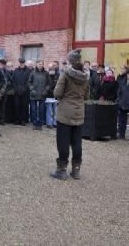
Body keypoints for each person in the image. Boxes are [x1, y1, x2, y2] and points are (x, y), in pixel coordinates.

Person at [50, 49, 89, 180]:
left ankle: (61, 170)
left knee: (63, 141)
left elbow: (57, 93)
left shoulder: (65, 74)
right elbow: (87, 96)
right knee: (77, 142)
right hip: (79, 112)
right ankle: (76, 170)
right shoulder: (86, 76)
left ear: (70, 61)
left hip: (65, 112)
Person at [28, 60, 51, 131]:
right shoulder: (32, 73)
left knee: (41, 110)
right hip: (34, 94)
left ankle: (40, 124)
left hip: (42, 94)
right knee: (34, 110)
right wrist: (32, 89)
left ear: (43, 65)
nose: (40, 65)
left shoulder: (46, 73)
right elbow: (29, 82)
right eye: (38, 64)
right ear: (36, 65)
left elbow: (49, 83)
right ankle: (34, 124)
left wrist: (46, 90)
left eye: (41, 64)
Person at [12, 58, 31, 126]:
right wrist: (16, 89)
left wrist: (24, 89)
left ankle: (23, 120)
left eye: (22, 62)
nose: (21, 64)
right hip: (17, 91)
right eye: (20, 62)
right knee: (17, 106)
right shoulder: (16, 70)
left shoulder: (28, 71)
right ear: (19, 63)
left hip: (25, 92)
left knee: (24, 106)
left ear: (24, 63)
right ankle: (17, 120)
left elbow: (29, 81)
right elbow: (13, 80)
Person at [45, 62, 59, 129]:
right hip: (49, 94)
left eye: (53, 67)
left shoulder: (58, 75)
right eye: (50, 67)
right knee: (49, 110)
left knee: (55, 110)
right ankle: (49, 123)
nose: (52, 68)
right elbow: (46, 84)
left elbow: (59, 84)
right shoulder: (46, 74)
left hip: (56, 94)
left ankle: (55, 122)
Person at [0, 59, 12, 125]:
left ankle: (1, 120)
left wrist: (7, 83)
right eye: (1, 64)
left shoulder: (7, 72)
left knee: (2, 107)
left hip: (4, 92)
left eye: (3, 65)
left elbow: (10, 80)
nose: (2, 66)